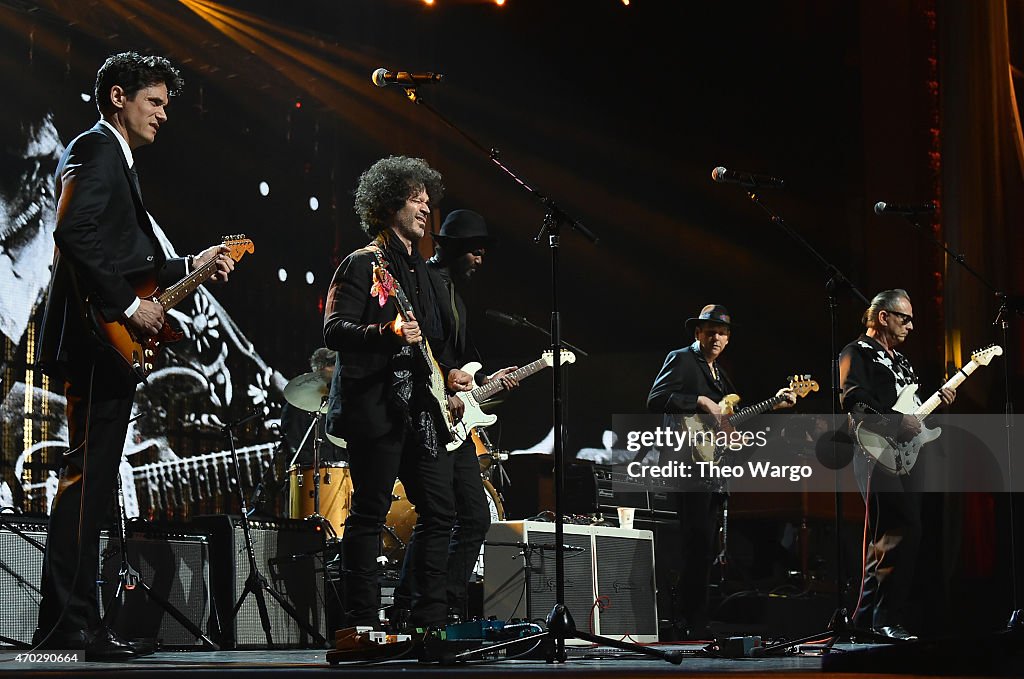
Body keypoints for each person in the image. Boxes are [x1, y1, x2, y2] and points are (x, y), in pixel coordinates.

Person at [32, 52, 234, 661]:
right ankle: (68, 629)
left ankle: (77, 626)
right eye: (155, 101)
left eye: (166, 104)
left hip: (105, 343)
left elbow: (124, 255)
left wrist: (190, 265)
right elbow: (73, 233)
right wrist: (127, 307)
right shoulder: (95, 149)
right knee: (85, 484)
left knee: (90, 488)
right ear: (119, 97)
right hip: (96, 342)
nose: (164, 114)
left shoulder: (115, 159)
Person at [323, 155, 472, 630]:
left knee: (440, 511)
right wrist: (385, 332)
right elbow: (334, 330)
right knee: (369, 513)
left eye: (429, 199)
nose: (426, 207)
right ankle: (360, 623)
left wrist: (450, 376)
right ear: (389, 205)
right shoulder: (363, 264)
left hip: (422, 414)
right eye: (415, 198)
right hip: (377, 409)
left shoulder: (427, 275)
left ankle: (425, 618)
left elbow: (437, 347)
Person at [392, 209, 518, 623]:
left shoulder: (457, 296)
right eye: (475, 253)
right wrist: (444, 383)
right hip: (427, 415)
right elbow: (417, 347)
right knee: (438, 514)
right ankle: (409, 603)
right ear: (456, 250)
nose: (480, 261)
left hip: (457, 420)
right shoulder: (421, 280)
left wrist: (487, 379)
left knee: (476, 516)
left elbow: (461, 360)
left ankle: (443, 601)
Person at [646, 304, 794, 640]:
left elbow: (726, 423)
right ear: (697, 333)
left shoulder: (722, 376)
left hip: (712, 469)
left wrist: (773, 404)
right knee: (694, 543)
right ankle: (686, 622)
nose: (716, 337)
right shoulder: (682, 359)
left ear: (728, 339)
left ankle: (698, 622)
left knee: (706, 547)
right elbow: (656, 399)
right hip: (686, 464)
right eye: (710, 331)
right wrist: (699, 400)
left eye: (722, 333)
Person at [839, 289, 954, 640]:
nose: (911, 326)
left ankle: (865, 621)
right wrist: (893, 421)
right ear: (882, 317)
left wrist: (940, 400)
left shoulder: (902, 362)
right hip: (875, 449)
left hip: (906, 454)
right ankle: (884, 619)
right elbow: (853, 400)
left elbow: (913, 411)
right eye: (905, 318)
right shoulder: (856, 352)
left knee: (889, 537)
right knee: (900, 529)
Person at [279, 347, 347, 466]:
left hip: (343, 476)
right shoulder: (296, 407)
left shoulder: (341, 405)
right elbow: (292, 447)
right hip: (310, 477)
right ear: (319, 371)